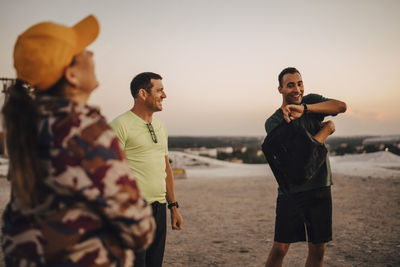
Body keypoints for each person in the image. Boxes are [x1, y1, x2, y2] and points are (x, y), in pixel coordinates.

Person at [1, 15, 155, 266]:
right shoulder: (83, 131)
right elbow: (140, 231)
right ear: (71, 75)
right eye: (83, 51)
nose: (91, 54)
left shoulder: (29, 123)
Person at [264, 67, 347, 267]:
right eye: (290, 85)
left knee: (318, 250)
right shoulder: (274, 122)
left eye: (299, 83)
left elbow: (341, 106)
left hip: (320, 187)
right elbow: (302, 159)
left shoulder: (311, 101)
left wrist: (307, 109)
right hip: (291, 191)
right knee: (280, 248)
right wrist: (325, 130)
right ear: (280, 89)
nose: (297, 89)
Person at [111, 72, 183, 267]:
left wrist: (173, 207)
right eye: (159, 90)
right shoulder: (119, 125)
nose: (164, 95)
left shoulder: (160, 127)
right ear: (143, 93)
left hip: (159, 209)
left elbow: (165, 168)